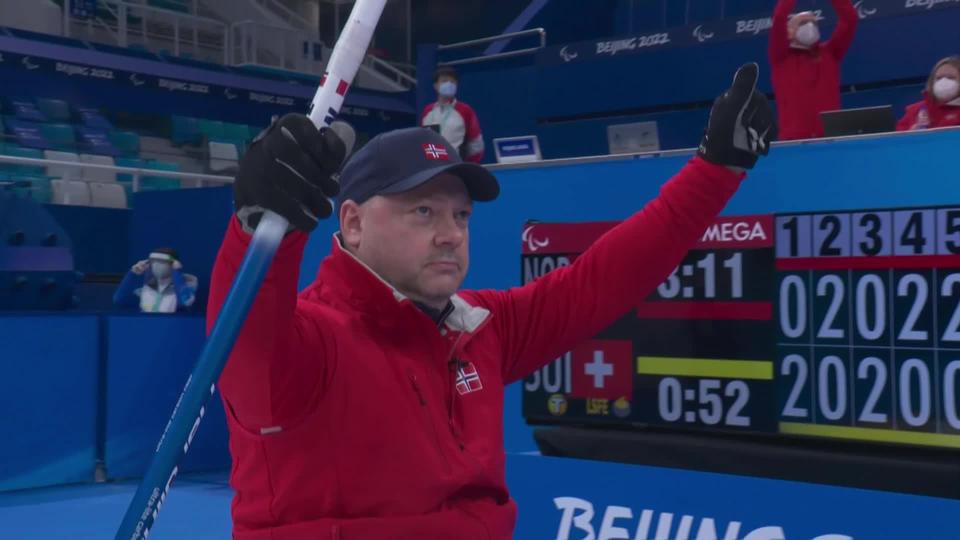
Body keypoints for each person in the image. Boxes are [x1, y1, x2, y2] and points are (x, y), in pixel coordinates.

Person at [209, 63, 775, 539]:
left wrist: (716, 171)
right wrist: (262, 227)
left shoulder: (479, 326)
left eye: (461, 215)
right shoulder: (309, 344)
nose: (450, 233)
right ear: (352, 223)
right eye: (423, 211)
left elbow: (604, 280)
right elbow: (246, 340)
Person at [769, 0, 858, 140]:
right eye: (803, 23)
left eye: (815, 23)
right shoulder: (781, 57)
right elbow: (779, 17)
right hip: (794, 142)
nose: (810, 26)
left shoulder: (830, 53)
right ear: (789, 32)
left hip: (831, 138)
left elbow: (850, 19)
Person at [421, 66, 485, 163]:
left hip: (456, 166)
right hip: (432, 167)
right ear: (435, 85)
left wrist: (469, 167)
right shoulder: (428, 111)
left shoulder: (465, 110)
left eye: (453, 82)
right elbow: (424, 140)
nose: (449, 84)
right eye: (445, 81)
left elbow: (476, 144)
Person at [113, 247, 197, 313]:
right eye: (154, 262)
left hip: (170, 329)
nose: (156, 265)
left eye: (162, 262)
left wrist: (176, 272)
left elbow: (185, 302)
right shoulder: (145, 288)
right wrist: (132, 274)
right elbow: (119, 300)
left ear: (173, 264)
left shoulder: (186, 284)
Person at [897, 56, 960, 131]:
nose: (943, 81)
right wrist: (909, 134)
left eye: (951, 77)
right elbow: (896, 139)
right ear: (932, 81)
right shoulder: (915, 110)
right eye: (938, 78)